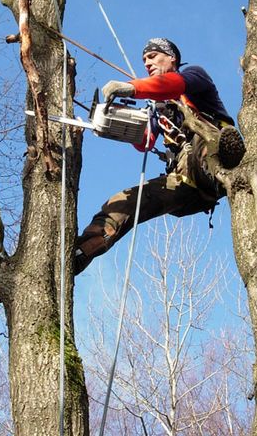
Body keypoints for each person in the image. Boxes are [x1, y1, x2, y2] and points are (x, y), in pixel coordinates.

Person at [74, 38, 244, 273]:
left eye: (153, 56)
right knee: (122, 203)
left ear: (171, 57)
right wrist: (120, 123)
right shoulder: (157, 109)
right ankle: (80, 253)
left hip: (211, 153)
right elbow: (145, 143)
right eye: (144, 59)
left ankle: (226, 156)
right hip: (186, 181)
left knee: (206, 143)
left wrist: (134, 87)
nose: (147, 63)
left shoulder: (194, 76)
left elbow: (173, 85)